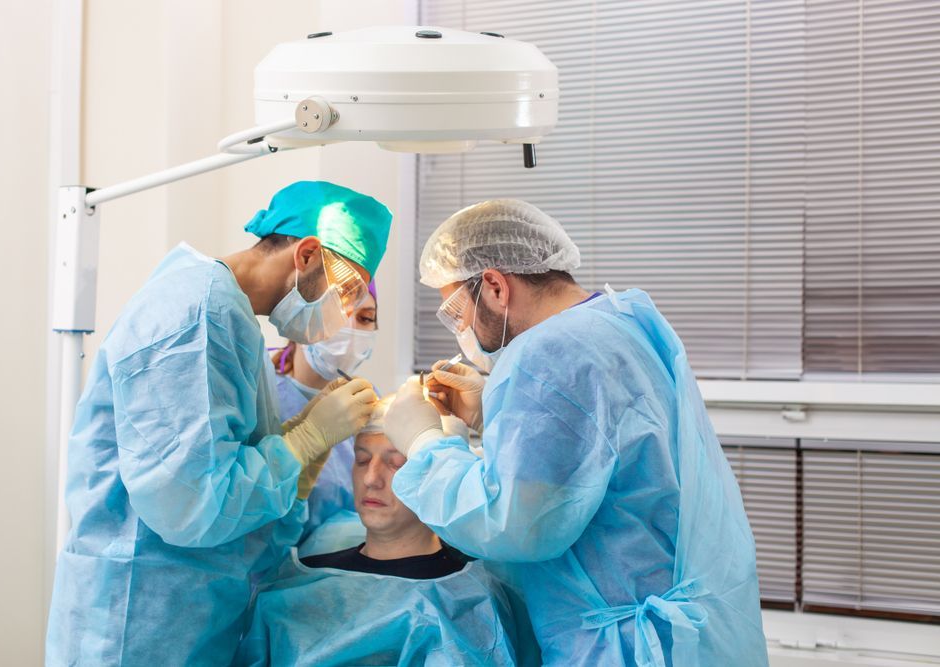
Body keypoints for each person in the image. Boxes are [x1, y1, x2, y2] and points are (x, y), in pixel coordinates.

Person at [383, 199, 768, 666]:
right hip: (690, 632)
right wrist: (490, 416)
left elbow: (512, 524)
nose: (459, 327)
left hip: (627, 645)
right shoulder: (621, 321)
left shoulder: (546, 355)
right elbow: (604, 452)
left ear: (495, 286)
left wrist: (427, 445)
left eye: (455, 308)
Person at [46, 181, 391, 666]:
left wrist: (301, 452)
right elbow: (189, 503)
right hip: (138, 617)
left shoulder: (228, 317)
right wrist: (305, 439)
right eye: (348, 289)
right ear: (308, 254)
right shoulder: (195, 315)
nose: (345, 313)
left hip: (187, 613)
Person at [233, 397, 539, 667]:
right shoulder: (295, 582)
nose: (371, 478)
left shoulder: (472, 600)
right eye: (362, 459)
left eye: (396, 463)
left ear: (437, 477)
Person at [269, 280, 379, 538]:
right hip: (273, 570)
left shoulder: (368, 403)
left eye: (365, 318)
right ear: (298, 319)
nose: (350, 330)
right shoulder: (262, 395)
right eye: (336, 315)